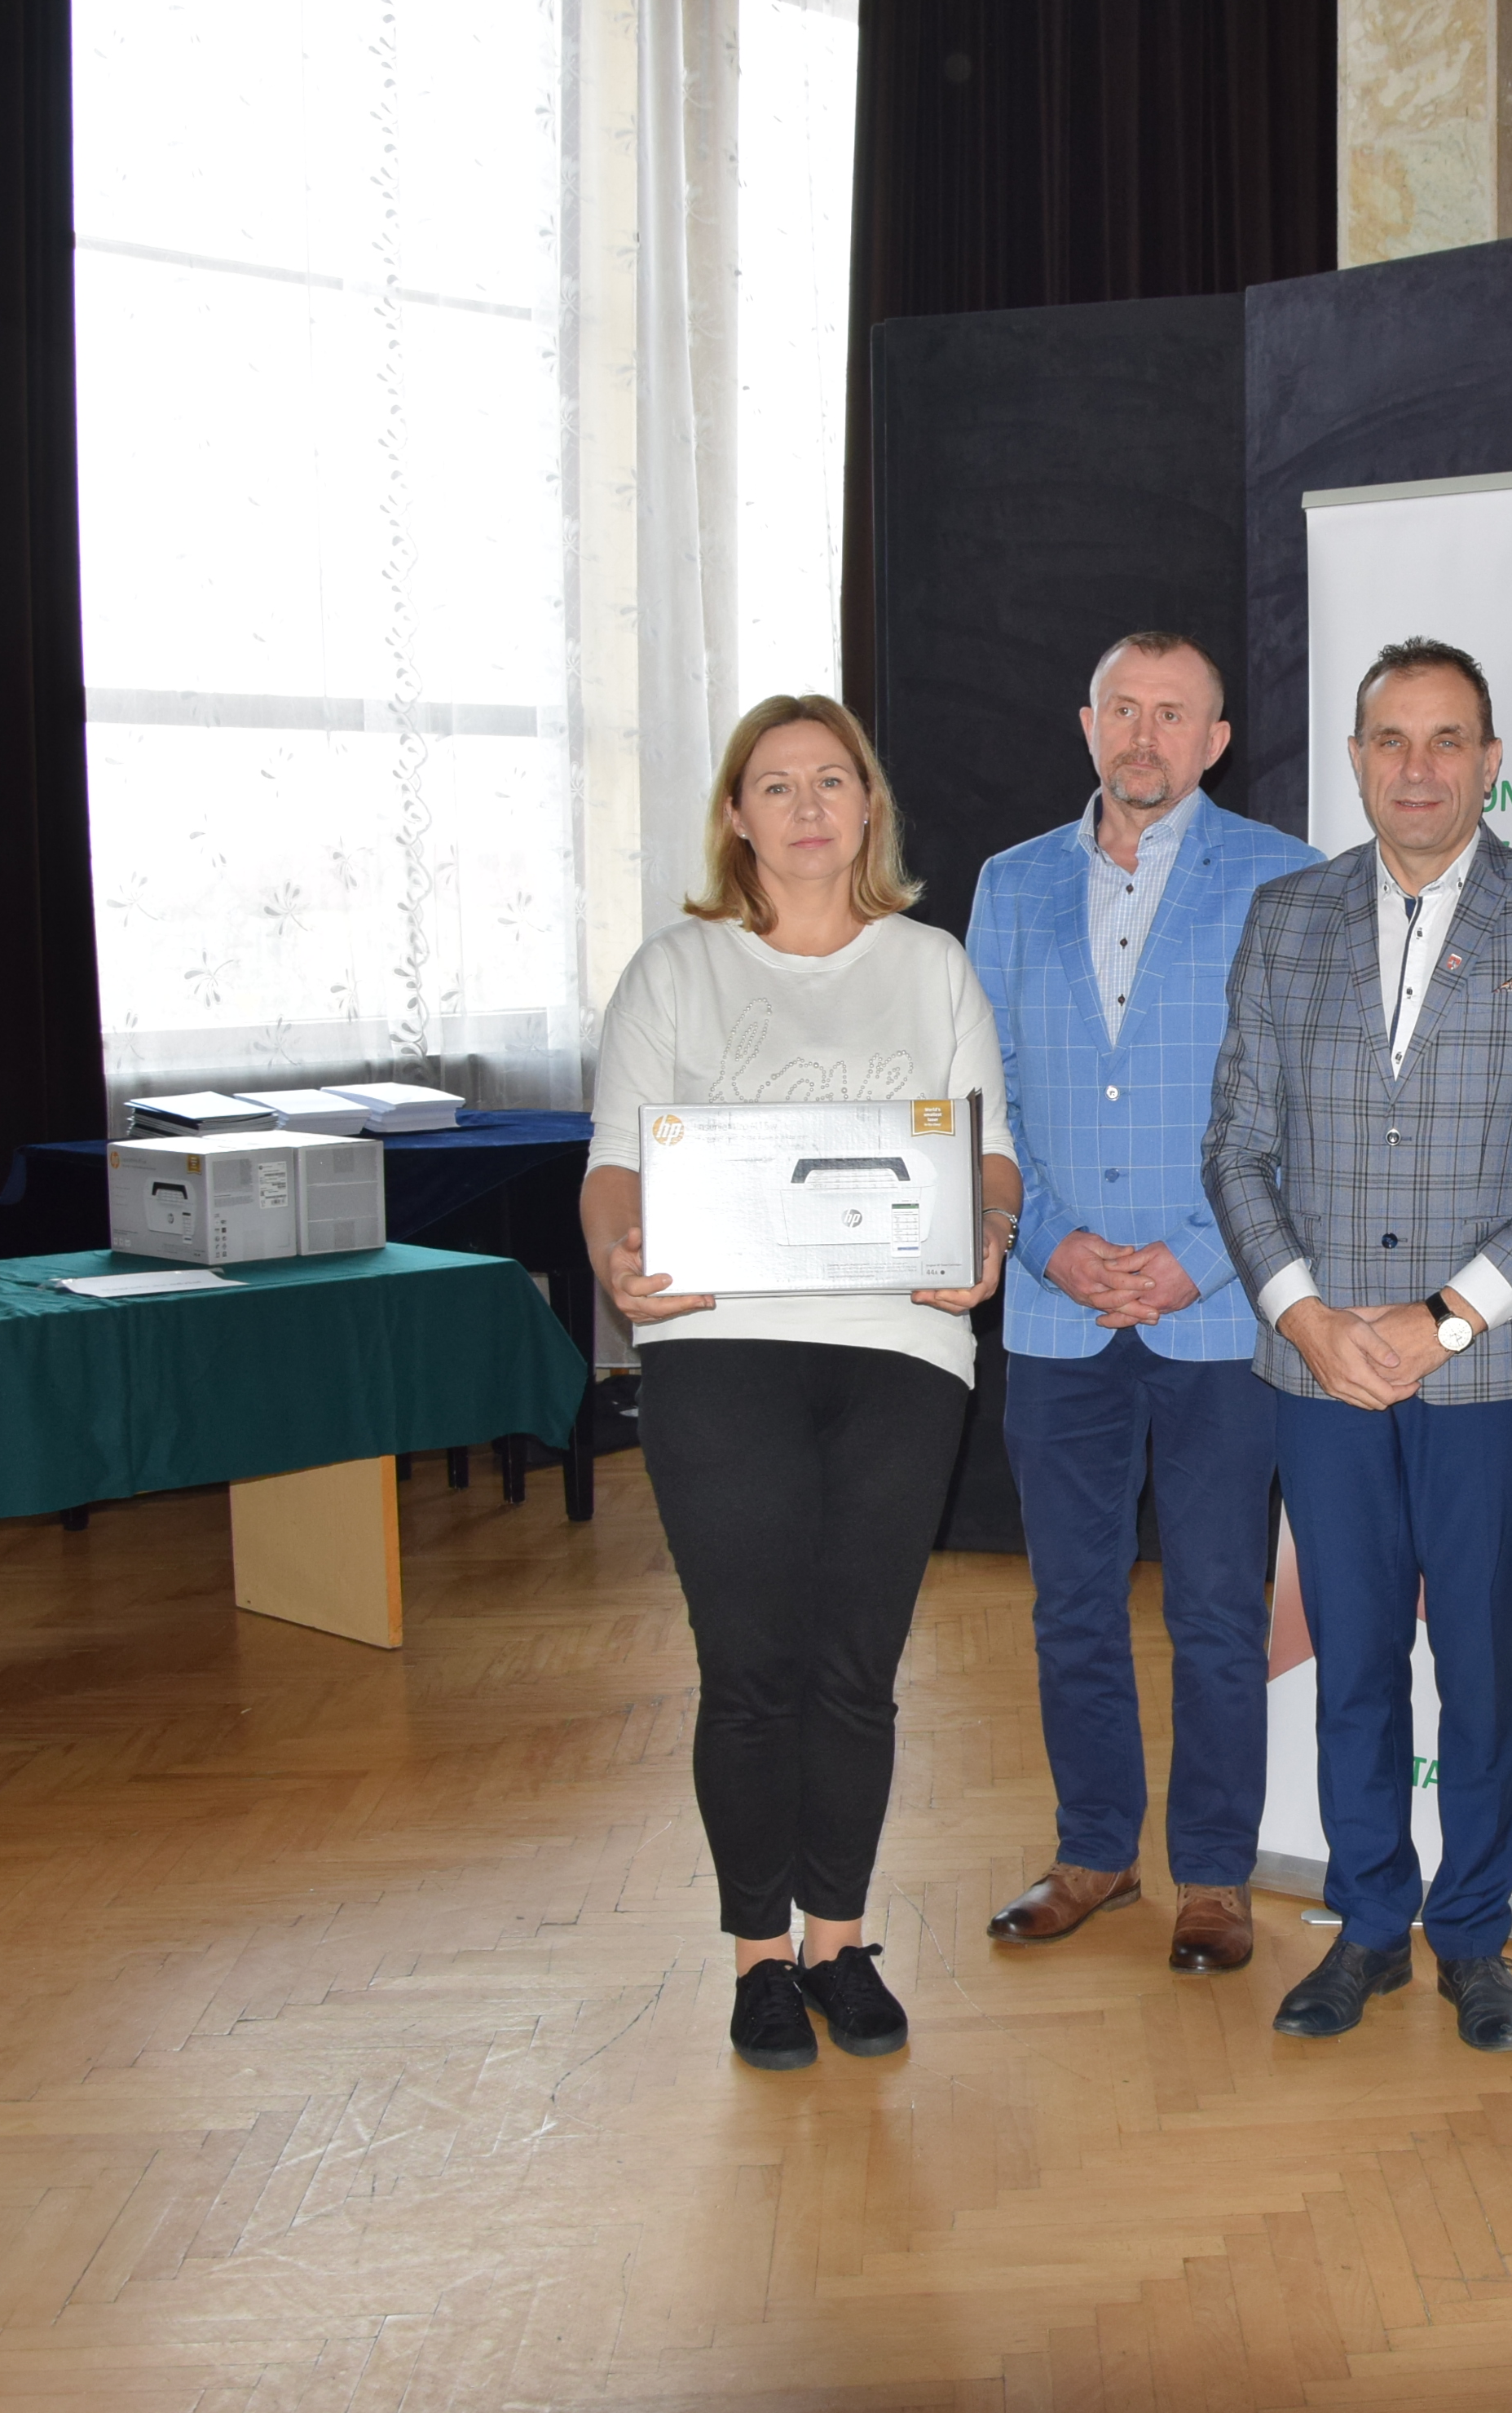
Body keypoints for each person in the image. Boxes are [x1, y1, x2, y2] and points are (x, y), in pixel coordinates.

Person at [1200, 635, 1512, 2053]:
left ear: (1491, 763)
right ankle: (1370, 1925)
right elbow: (1236, 1146)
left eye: (1449, 740)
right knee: (1354, 1663)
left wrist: (1448, 1316)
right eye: (1392, 739)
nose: (1419, 767)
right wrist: (1305, 1315)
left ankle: (1476, 1940)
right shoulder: (1286, 918)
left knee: (1481, 1669)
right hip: (1320, 1369)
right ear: (1355, 760)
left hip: (1486, 1368)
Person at [583, 693, 1022, 2076]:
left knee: (856, 1667)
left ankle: (839, 1944)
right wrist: (617, 1259)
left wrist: (991, 1231)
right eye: (777, 785)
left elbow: (989, 1151)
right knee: (749, 1666)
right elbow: (613, 1165)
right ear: (737, 815)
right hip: (715, 1346)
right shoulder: (675, 971)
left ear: (868, 805)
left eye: (833, 780)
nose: (809, 806)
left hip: (904, 1348)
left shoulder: (933, 965)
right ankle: (757, 1962)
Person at [965, 632, 1319, 1974]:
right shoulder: (1009, 885)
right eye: (1124, 708)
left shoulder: (1285, 877)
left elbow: (1301, 1105)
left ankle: (1214, 1875)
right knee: (1071, 1604)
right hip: (1058, 1307)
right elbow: (979, 1089)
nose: (1144, 735)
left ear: (1217, 740)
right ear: (1088, 722)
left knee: (1220, 1610)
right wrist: (1046, 1242)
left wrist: (1199, 1256)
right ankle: (1095, 1851)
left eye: (1174, 714)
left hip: (1220, 1310)